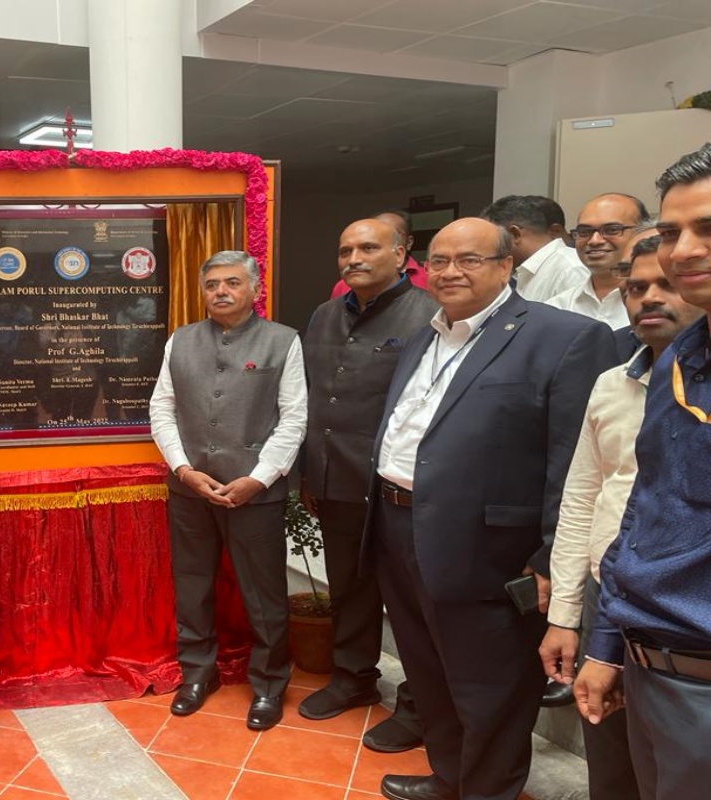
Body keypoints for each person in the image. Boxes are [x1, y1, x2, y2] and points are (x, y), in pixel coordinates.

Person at [369, 219, 617, 800]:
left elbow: (576, 465)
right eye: (440, 260)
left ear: (507, 266)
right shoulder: (423, 337)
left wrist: (551, 560)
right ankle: (450, 778)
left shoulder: (564, 337)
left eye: (470, 260)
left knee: (491, 692)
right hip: (397, 530)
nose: (450, 271)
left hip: (491, 552)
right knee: (428, 675)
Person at [539, 230, 702, 800]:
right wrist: (565, 613)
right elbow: (583, 498)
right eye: (636, 288)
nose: (648, 299)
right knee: (612, 765)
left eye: (666, 284)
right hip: (608, 602)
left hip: (686, 618)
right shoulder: (613, 383)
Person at [575, 143, 711, 800]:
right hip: (649, 662)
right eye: (673, 231)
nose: (683, 250)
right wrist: (604, 640)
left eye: (706, 230)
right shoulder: (679, 360)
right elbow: (644, 507)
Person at [150, 250, 307, 731]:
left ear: (254, 288)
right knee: (192, 586)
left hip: (255, 492)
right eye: (213, 284)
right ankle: (198, 675)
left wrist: (259, 477)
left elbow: (294, 417)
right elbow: (162, 408)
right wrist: (183, 469)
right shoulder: (181, 340)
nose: (221, 291)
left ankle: (268, 684)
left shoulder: (284, 342)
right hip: (190, 491)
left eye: (232, 283)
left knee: (264, 594)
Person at [298, 219, 436, 753]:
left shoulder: (428, 314)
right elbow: (313, 397)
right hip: (336, 478)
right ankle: (353, 677)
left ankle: (420, 704)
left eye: (368, 248)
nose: (353, 257)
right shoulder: (325, 315)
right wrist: (310, 472)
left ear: (401, 254)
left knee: (410, 599)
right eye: (345, 249)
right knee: (349, 586)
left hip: (400, 486)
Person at [545, 193, 648, 329]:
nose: (594, 241)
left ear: (643, 233)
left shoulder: (658, 304)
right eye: (585, 231)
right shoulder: (556, 308)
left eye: (612, 230)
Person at [480, 195, 588, 301]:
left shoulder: (570, 269)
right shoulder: (523, 272)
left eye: (491, 239)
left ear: (515, 234)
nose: (486, 248)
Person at [331, 210, 427, 298]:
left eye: (368, 248)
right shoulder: (342, 286)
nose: (354, 260)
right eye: (346, 251)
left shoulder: (429, 279)